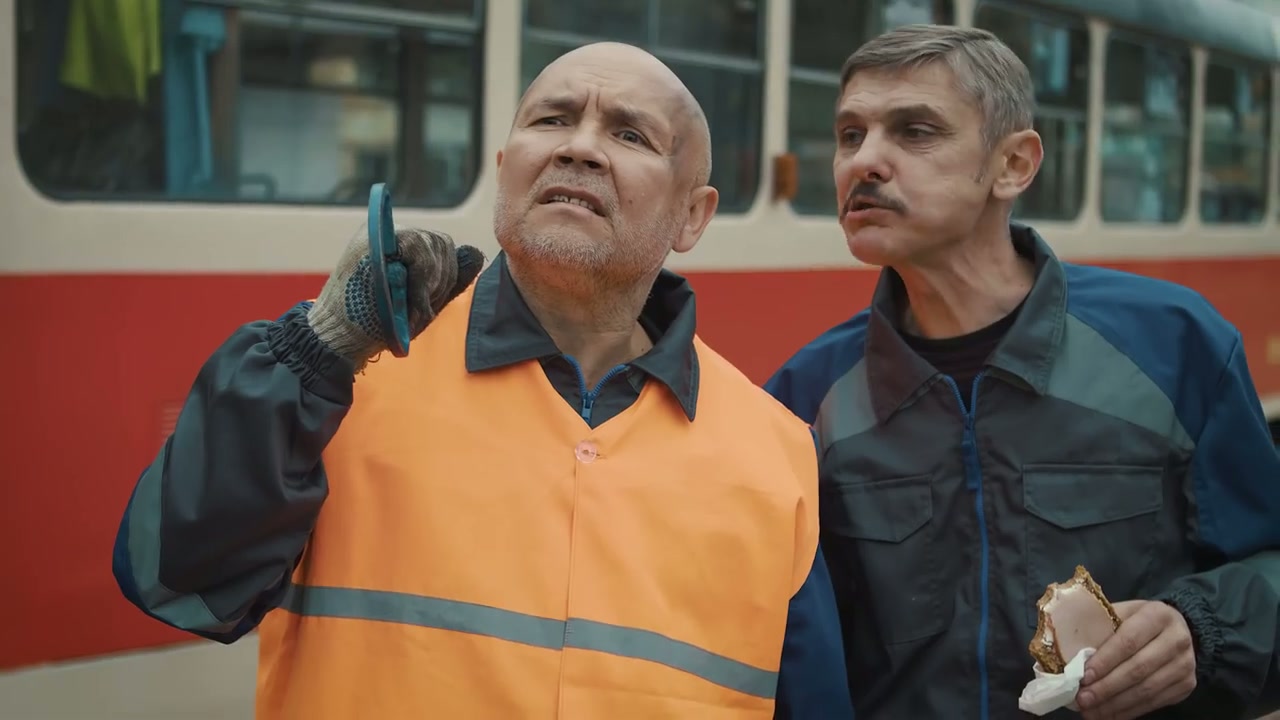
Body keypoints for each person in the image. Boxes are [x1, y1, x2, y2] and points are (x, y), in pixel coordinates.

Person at [112, 42, 853, 719]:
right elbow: (176, 584)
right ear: (505, 169)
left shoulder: (775, 454)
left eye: (630, 135)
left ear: (692, 215)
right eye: (552, 119)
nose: (578, 147)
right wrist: (315, 350)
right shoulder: (346, 376)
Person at [764, 23, 1280, 720]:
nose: (865, 161)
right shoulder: (802, 397)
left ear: (1013, 164)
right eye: (850, 135)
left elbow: (1268, 560)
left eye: (915, 131)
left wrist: (1202, 628)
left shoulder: (1174, 344)